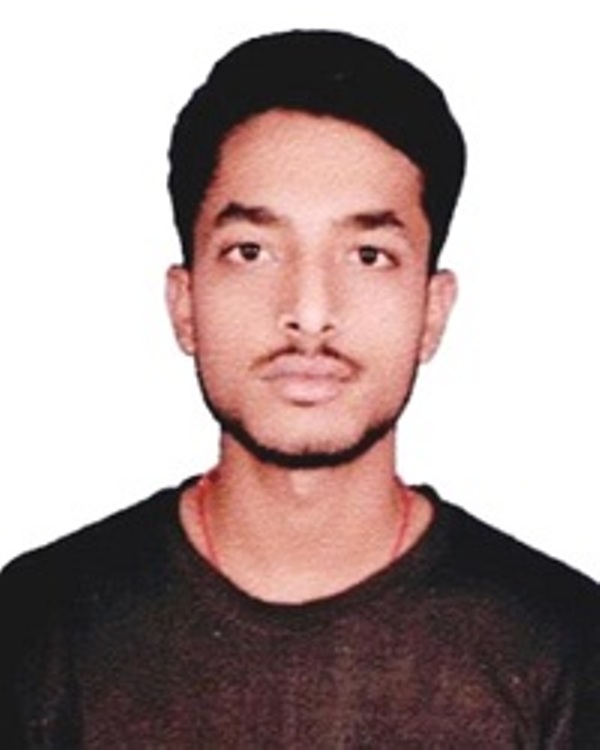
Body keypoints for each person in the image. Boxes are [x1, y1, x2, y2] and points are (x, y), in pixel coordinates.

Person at [1, 29, 598, 748]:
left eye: (368, 254)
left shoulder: (564, 648)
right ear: (184, 304)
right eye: (252, 251)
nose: (310, 313)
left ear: (433, 311)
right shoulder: (37, 626)